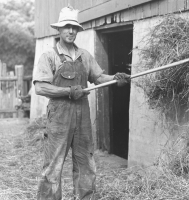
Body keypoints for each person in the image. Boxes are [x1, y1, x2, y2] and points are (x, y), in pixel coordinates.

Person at [33, 5, 130, 200]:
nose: (71, 31)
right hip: (60, 117)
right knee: (53, 164)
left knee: (86, 161)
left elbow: (99, 77)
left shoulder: (85, 55)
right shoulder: (49, 56)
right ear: (59, 30)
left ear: (77, 30)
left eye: (74, 27)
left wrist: (115, 78)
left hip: (83, 117)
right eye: (67, 27)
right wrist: (68, 91)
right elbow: (40, 88)